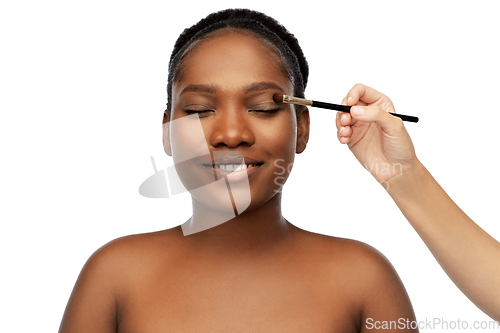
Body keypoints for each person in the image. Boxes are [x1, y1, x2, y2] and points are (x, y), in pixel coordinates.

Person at [59, 9, 418, 332]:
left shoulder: (363, 279)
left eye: (262, 107)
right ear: (167, 132)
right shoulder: (114, 276)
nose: (231, 134)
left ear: (302, 128)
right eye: (200, 109)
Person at [336, 85, 500, 321]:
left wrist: (400, 175)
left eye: (267, 109)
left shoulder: (364, 275)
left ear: (302, 128)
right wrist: (401, 174)